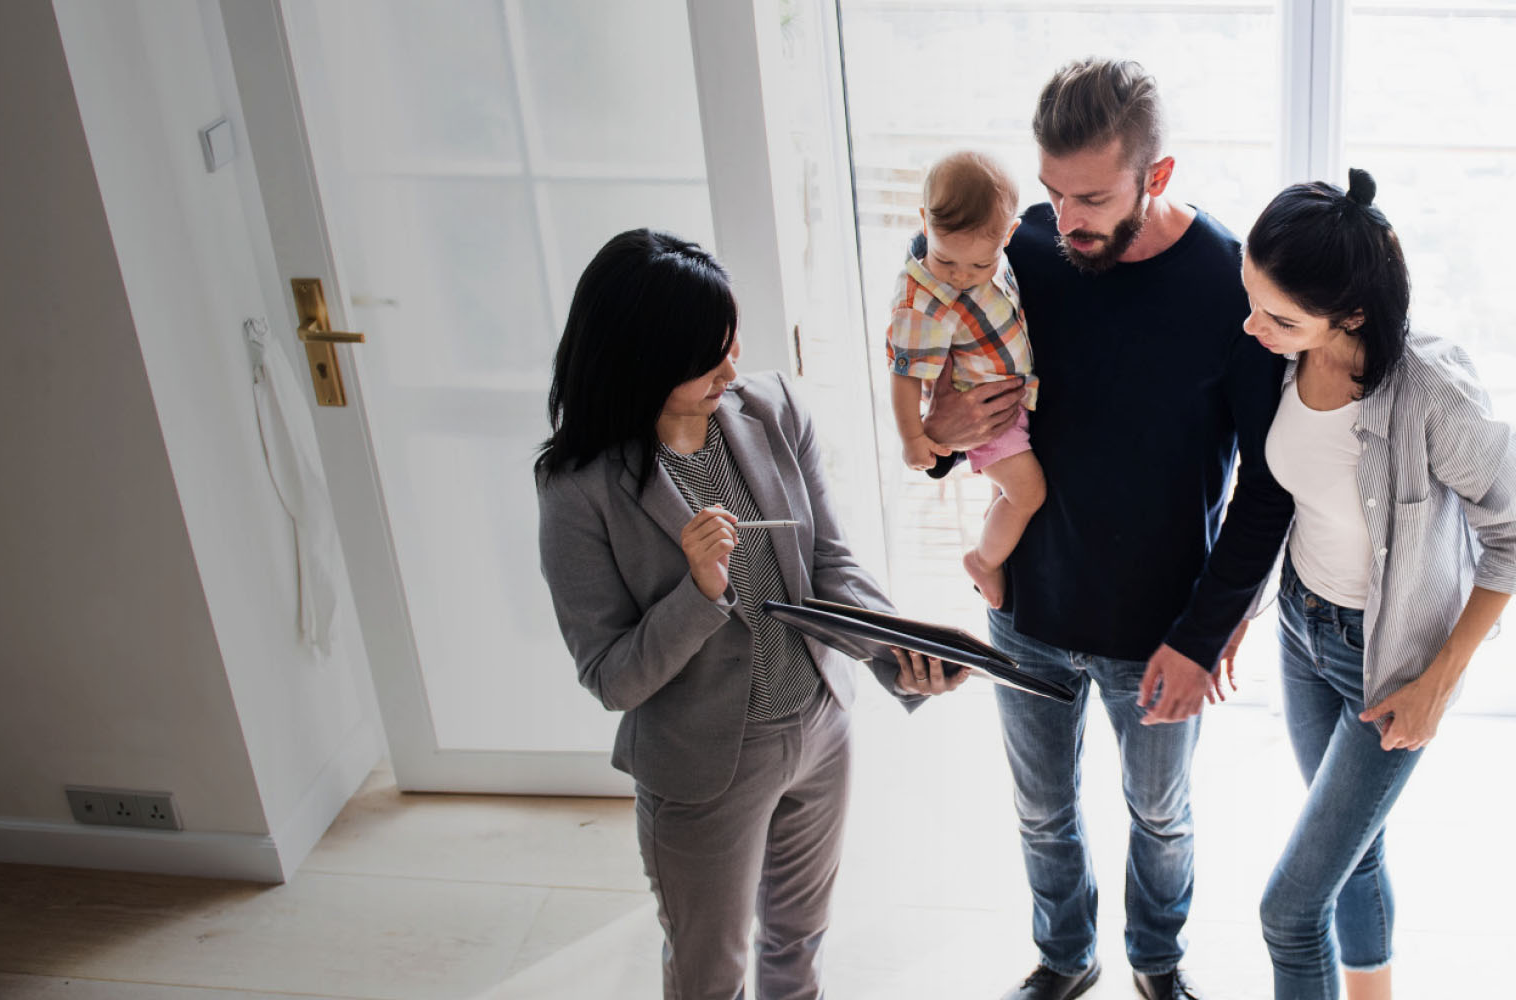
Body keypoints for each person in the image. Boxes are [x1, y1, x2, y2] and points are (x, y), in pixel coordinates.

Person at [922, 58, 1294, 1000]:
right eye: (1050, 192)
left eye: (1089, 198)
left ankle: (1157, 963)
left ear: (1156, 176)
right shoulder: (1024, 250)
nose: (1062, 219)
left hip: (1160, 630)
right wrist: (936, 435)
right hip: (1029, 613)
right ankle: (1064, 956)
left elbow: (1269, 487)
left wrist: (1204, 635)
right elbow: (935, 361)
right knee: (1043, 811)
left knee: (1160, 817)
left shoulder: (1225, 282)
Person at [535, 228, 964, 999]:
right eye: (707, 356)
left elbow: (828, 563)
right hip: (702, 770)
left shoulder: (771, 408)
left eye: (732, 343)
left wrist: (898, 654)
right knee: (711, 972)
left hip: (821, 729)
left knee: (799, 949)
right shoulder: (578, 490)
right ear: (640, 356)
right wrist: (699, 591)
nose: (731, 369)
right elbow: (611, 678)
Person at [1242, 169, 1516, 1000]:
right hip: (1301, 628)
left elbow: (1511, 535)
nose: (1253, 328)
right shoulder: (1282, 358)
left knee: (1289, 911)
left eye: (1280, 317)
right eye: (1251, 299)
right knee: (1353, 858)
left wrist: (1439, 682)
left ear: (1352, 313)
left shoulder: (1433, 394)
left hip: (1387, 662)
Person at [886, 149, 1045, 607]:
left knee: (1005, 491)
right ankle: (983, 561)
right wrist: (914, 437)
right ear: (923, 223)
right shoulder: (924, 300)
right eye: (946, 260)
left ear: (1008, 235)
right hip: (984, 416)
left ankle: (993, 543)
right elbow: (904, 375)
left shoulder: (996, 248)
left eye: (979, 266)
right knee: (1028, 493)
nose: (960, 277)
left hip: (1011, 404)